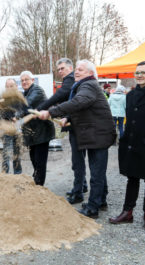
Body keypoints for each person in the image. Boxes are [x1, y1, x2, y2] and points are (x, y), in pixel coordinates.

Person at [38, 59, 116, 218]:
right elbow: (82, 108)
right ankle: (100, 201)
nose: (77, 72)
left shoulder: (88, 85)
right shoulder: (84, 85)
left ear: (90, 73)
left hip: (98, 135)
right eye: (77, 69)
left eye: (81, 69)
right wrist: (68, 118)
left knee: (96, 173)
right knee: (98, 171)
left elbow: (78, 103)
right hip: (97, 134)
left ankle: (93, 208)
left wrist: (51, 112)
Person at [37, 58, 88, 203]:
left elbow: (60, 96)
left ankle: (78, 191)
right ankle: (81, 186)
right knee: (78, 159)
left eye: (62, 68)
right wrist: (65, 116)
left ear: (71, 68)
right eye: (58, 69)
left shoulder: (70, 79)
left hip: (79, 126)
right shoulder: (72, 80)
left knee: (77, 160)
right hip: (75, 123)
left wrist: (43, 107)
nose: (60, 71)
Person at [109, 61, 145, 226]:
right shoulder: (129, 96)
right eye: (137, 73)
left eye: (143, 72)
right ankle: (127, 212)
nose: (139, 75)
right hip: (132, 143)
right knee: (133, 178)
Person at [20, 70, 55, 186]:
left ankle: (39, 186)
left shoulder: (37, 90)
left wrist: (16, 115)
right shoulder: (25, 93)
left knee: (40, 161)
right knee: (33, 158)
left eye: (26, 79)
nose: (24, 82)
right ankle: (37, 182)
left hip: (42, 132)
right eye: (22, 80)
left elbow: (25, 104)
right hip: (32, 134)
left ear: (32, 80)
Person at [0, 78, 22, 174]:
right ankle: (5, 173)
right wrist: (12, 118)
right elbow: (3, 113)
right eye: (7, 86)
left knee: (17, 153)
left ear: (16, 86)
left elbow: (23, 111)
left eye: (11, 86)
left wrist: (17, 117)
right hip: (7, 130)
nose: (9, 88)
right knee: (6, 154)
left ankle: (17, 173)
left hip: (18, 130)